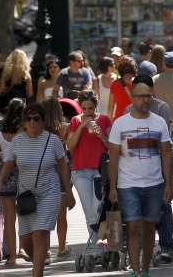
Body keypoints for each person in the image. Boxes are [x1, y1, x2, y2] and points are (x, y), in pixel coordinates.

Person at [0, 101, 74, 277]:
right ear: (24, 122)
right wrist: (0, 182)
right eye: (28, 119)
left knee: (39, 235)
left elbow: (63, 168)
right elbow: (8, 164)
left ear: (43, 121)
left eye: (36, 119)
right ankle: (37, 262)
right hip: (26, 195)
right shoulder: (18, 141)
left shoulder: (52, 140)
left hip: (49, 192)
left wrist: (68, 193)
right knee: (26, 239)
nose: (32, 122)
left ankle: (37, 274)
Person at [107, 76, 173, 277]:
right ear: (132, 99)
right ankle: (135, 271)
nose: (146, 100)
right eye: (141, 96)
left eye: (149, 96)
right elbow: (113, 157)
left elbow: (166, 154)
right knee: (133, 226)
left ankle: (145, 269)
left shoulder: (160, 122)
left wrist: (169, 184)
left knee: (149, 226)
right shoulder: (120, 124)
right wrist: (112, 187)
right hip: (128, 184)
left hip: (154, 183)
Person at [66, 91, 112, 258]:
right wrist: (80, 126)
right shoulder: (75, 120)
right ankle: (98, 249)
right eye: (84, 109)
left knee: (98, 210)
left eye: (91, 109)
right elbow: (70, 146)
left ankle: (105, 246)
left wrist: (101, 135)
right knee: (89, 212)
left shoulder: (104, 119)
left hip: (100, 170)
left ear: (96, 106)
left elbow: (112, 147)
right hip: (80, 171)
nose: (87, 113)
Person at [0, 95, 25, 266]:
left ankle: (12, 257)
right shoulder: (24, 130)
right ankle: (25, 250)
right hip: (24, 173)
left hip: (5, 174)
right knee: (27, 215)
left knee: (9, 218)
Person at [42, 96, 72, 261]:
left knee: (44, 211)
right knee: (62, 213)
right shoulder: (65, 128)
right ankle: (61, 248)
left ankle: (46, 251)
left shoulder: (38, 129)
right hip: (62, 170)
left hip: (44, 169)